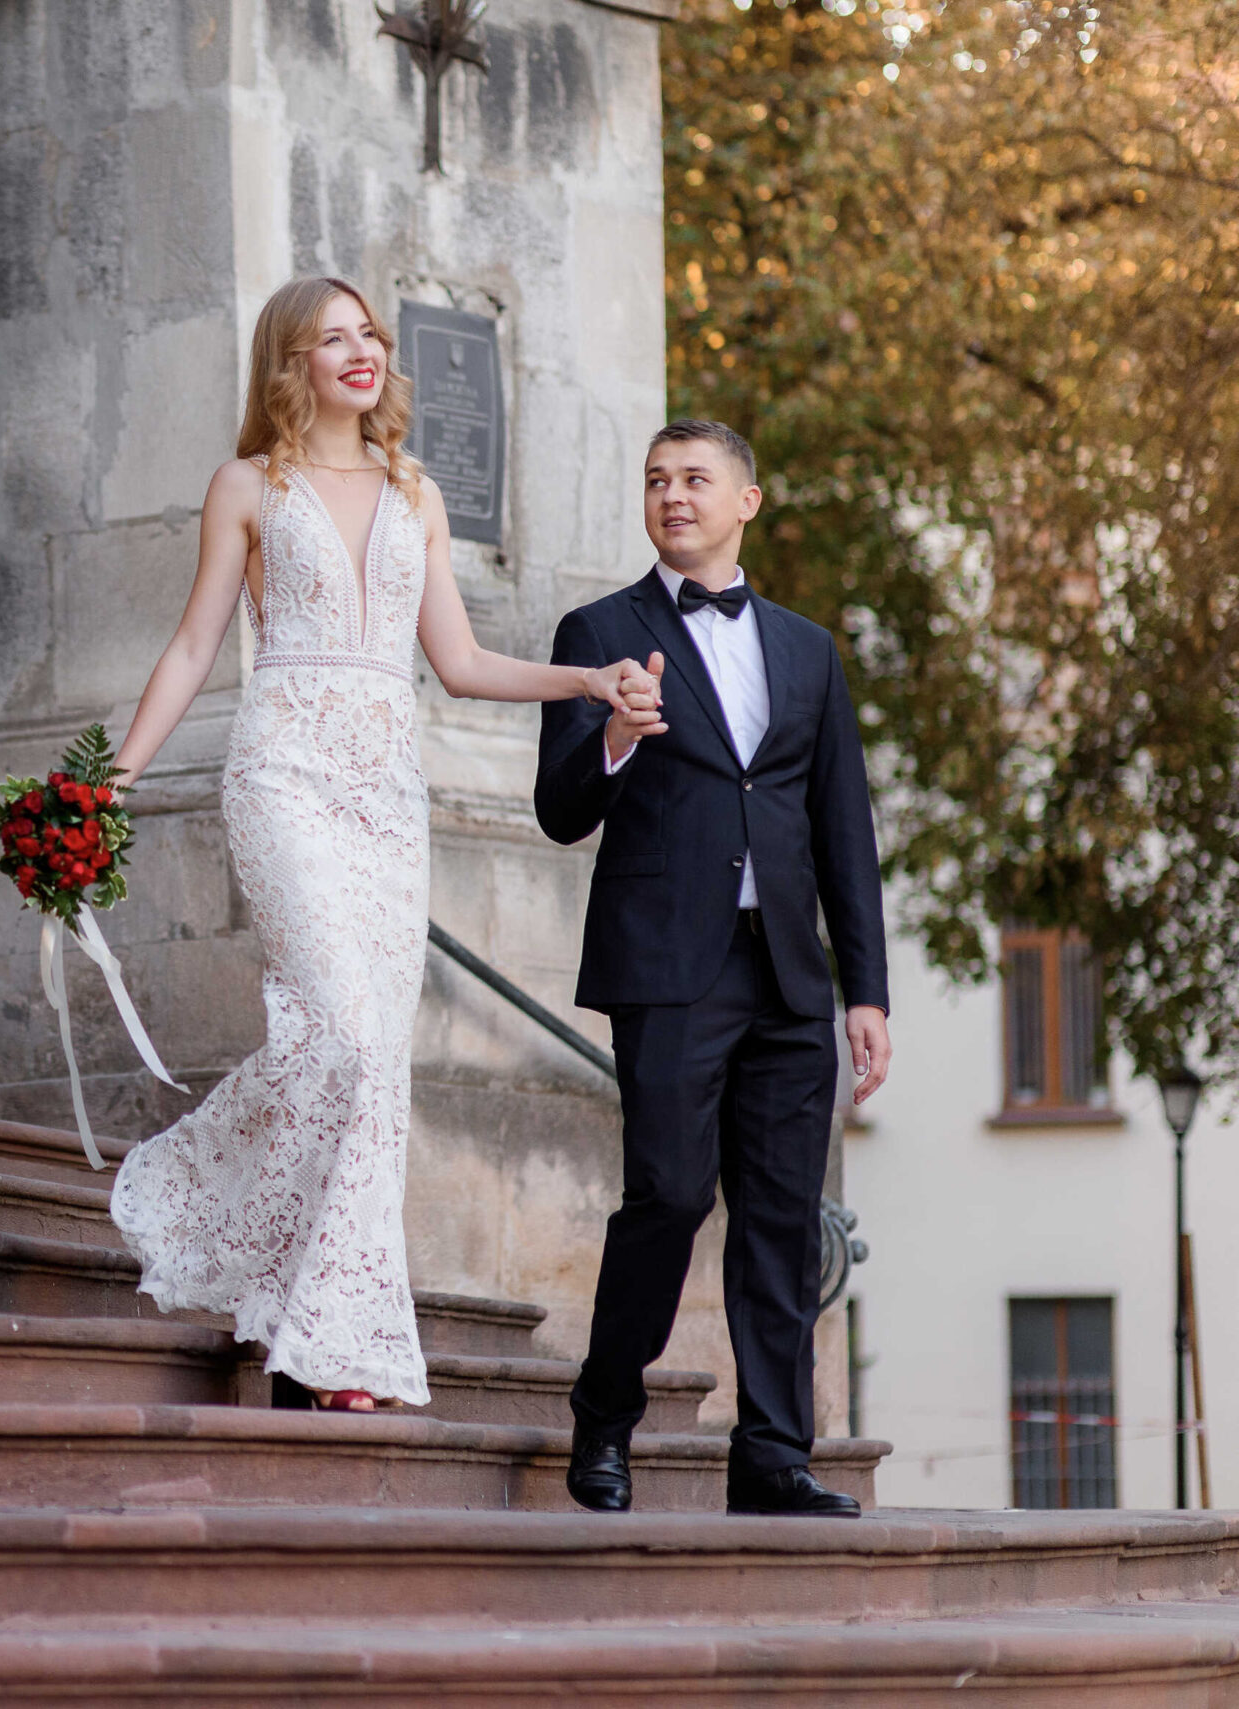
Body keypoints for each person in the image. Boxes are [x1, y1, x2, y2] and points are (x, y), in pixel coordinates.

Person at [105, 276, 661, 1413]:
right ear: (290, 363)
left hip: (387, 799)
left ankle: (324, 1338)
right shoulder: (246, 486)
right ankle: (232, 1232)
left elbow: (458, 662)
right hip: (284, 776)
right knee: (340, 1037)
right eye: (332, 337)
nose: (360, 352)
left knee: (373, 1068)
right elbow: (194, 643)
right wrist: (112, 778)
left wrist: (586, 680)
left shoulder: (417, 491)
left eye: (370, 334)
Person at [536, 419, 891, 1516]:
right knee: (671, 1193)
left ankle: (775, 1454)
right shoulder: (597, 631)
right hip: (667, 967)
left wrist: (865, 989)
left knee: (783, 1214)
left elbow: (843, 825)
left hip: (788, 971)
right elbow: (558, 810)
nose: (671, 495)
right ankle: (604, 1420)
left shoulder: (807, 649)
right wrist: (616, 736)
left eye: (694, 479)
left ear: (747, 499)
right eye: (655, 479)